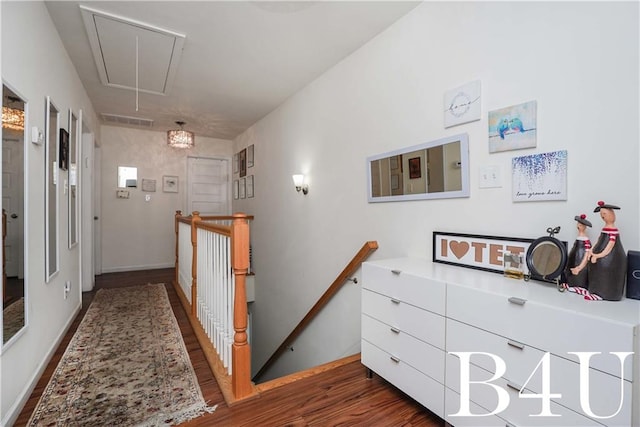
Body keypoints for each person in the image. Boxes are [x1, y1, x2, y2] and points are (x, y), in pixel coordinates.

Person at [569, 201, 626, 300]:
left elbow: (609, 246)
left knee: (605, 273)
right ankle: (595, 291)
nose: (602, 216)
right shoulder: (605, 229)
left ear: (612, 215)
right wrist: (592, 251)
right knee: (596, 270)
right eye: (601, 214)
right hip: (598, 257)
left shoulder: (612, 231)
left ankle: (604, 293)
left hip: (609, 259)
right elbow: (599, 240)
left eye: (604, 214)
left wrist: (598, 255)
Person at [563, 214, 592, 290]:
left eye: (581, 225)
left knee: (580, 277)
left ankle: (580, 286)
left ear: (584, 227)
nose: (578, 226)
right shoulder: (578, 239)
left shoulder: (586, 241)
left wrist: (579, 267)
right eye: (578, 224)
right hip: (573, 265)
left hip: (581, 267)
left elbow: (587, 255)